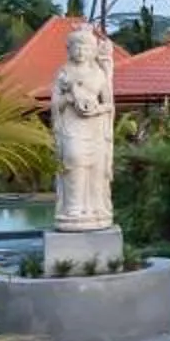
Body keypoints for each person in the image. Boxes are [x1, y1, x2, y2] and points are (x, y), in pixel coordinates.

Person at [50, 24, 116, 231]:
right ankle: (74, 208)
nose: (80, 52)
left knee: (95, 168)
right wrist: (70, 98)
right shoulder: (64, 74)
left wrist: (96, 109)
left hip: (94, 128)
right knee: (74, 160)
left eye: (85, 48)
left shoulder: (99, 74)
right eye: (76, 47)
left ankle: (95, 209)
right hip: (71, 126)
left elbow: (109, 104)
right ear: (69, 49)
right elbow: (54, 104)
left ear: (93, 50)